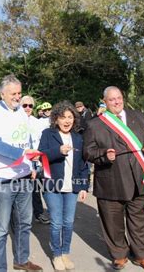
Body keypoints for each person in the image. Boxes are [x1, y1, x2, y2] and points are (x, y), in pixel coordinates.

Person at [83, 86, 144, 271]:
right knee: (113, 222)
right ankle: (119, 255)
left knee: (139, 222)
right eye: (112, 100)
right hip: (111, 181)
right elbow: (87, 152)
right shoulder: (95, 124)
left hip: (138, 180)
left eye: (119, 98)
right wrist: (103, 155)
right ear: (104, 102)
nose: (116, 102)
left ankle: (141, 255)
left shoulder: (138, 116)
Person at [0, 74, 42, 272]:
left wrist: (32, 165)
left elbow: (27, 141)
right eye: (13, 94)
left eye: (19, 93)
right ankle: (0, 268)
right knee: (0, 230)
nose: (17, 97)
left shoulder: (20, 113)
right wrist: (23, 155)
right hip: (2, 180)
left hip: (24, 176)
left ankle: (22, 260)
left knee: (24, 222)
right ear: (2, 94)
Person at [38, 101, 89, 271]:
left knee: (68, 222)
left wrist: (83, 187)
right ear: (56, 119)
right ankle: (57, 255)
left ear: (74, 120)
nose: (67, 121)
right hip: (53, 186)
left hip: (72, 187)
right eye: (63, 117)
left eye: (70, 117)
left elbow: (83, 165)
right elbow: (41, 156)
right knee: (57, 223)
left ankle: (65, 252)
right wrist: (58, 151)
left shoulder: (78, 138)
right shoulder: (48, 134)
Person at [20, 95, 50, 225]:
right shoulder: (14, 121)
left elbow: (43, 142)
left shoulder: (37, 122)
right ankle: (19, 218)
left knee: (38, 188)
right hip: (21, 163)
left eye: (30, 105)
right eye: (24, 105)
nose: (27, 108)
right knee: (22, 192)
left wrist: (42, 158)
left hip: (37, 161)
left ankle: (38, 214)